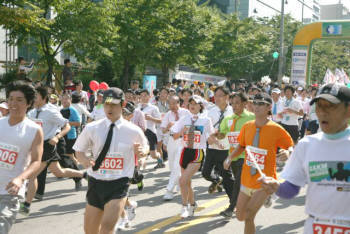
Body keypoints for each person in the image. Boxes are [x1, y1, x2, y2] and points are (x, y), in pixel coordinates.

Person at [261, 83, 350, 234]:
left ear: (348, 110)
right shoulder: (306, 145)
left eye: (331, 106)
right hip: (314, 227)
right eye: (319, 106)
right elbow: (291, 189)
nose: (323, 112)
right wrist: (276, 187)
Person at [73, 87, 148, 234]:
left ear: (123, 104)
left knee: (107, 227)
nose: (109, 108)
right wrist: (85, 161)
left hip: (119, 183)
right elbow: (79, 151)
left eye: (113, 104)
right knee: (90, 231)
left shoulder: (133, 130)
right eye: (106, 104)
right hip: (96, 182)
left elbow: (145, 147)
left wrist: (142, 152)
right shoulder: (92, 128)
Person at [223, 93, 294, 234]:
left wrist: (288, 152)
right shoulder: (247, 126)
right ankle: (267, 198)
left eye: (261, 104)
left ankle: (268, 194)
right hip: (247, 179)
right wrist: (230, 157)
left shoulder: (276, 128)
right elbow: (241, 146)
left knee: (249, 216)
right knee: (240, 216)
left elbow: (290, 145)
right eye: (255, 103)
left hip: (265, 181)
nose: (256, 106)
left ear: (269, 107)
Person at [22, 86, 86, 215]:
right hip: (35, 146)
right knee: (59, 172)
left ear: (44, 98)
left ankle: (26, 205)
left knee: (33, 174)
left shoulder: (51, 111)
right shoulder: (32, 112)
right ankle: (84, 175)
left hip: (48, 145)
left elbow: (66, 126)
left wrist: (57, 137)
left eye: (36, 96)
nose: (34, 98)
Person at [0, 81, 43, 234]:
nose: (13, 103)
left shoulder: (34, 130)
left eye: (19, 100)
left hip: (9, 194)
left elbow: (36, 161)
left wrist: (21, 178)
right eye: (11, 98)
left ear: (29, 103)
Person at [170, 95, 216, 219]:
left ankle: (184, 206)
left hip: (197, 153)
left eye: (195, 103)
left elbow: (211, 139)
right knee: (187, 182)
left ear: (200, 106)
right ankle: (193, 204)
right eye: (190, 103)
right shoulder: (184, 119)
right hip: (185, 152)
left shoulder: (206, 120)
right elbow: (174, 135)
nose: (192, 105)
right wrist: (181, 132)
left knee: (182, 180)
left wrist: (217, 140)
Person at [218, 92, 255, 217]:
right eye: (232, 103)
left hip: (247, 155)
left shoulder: (252, 117)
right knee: (240, 183)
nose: (234, 106)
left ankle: (231, 208)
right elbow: (222, 133)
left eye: (237, 103)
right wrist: (215, 135)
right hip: (233, 155)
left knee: (238, 182)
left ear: (245, 104)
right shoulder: (228, 119)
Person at [202, 86, 234, 217]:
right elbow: (204, 128)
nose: (217, 98)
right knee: (205, 173)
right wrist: (208, 137)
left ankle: (233, 204)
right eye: (216, 95)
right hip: (212, 148)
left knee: (227, 177)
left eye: (220, 95)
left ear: (227, 97)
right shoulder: (210, 111)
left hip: (225, 149)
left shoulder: (233, 112)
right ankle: (216, 180)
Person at [161, 95, 190, 201]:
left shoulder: (186, 113)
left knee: (178, 164)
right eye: (170, 104)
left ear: (179, 103)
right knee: (173, 166)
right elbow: (163, 130)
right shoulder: (168, 114)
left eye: (174, 103)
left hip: (183, 141)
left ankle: (169, 190)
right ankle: (179, 182)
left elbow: (190, 126)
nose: (172, 106)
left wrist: (180, 127)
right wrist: (168, 127)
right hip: (171, 141)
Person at [138, 89, 163, 169]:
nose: (143, 97)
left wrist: (151, 118)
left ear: (149, 96)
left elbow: (160, 121)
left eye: (145, 95)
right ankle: (136, 171)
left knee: (153, 155)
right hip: (139, 132)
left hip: (150, 132)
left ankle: (159, 158)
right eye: (141, 96)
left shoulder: (153, 108)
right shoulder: (137, 107)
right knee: (138, 152)